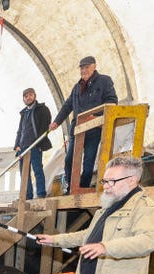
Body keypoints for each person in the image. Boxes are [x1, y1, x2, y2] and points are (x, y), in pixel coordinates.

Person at [50, 56, 117, 193]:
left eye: (87, 67)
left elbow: (112, 102)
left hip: (94, 129)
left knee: (88, 163)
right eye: (82, 68)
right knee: (69, 160)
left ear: (94, 66)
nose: (84, 70)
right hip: (78, 129)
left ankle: (84, 188)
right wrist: (57, 122)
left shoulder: (104, 81)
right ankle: (71, 187)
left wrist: (97, 116)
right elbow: (67, 106)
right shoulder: (77, 87)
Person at [14, 88, 53, 199]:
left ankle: (41, 194)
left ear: (34, 96)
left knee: (37, 170)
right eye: (26, 96)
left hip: (35, 145)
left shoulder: (42, 109)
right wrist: (17, 145)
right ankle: (28, 195)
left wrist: (40, 143)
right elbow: (20, 130)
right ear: (24, 99)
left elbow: (45, 127)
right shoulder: (23, 113)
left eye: (30, 95)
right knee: (24, 174)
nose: (28, 97)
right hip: (23, 147)